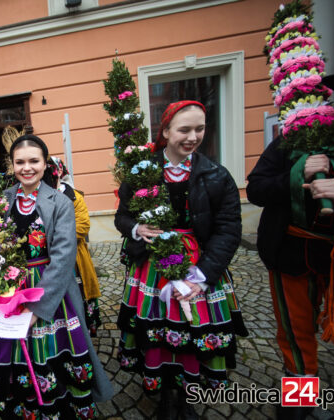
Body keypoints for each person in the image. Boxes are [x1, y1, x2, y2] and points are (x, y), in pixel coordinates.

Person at [115, 101, 247, 419]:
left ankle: (187, 395)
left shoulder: (216, 175)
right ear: (165, 131)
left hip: (197, 265)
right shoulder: (142, 172)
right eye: (184, 129)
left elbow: (228, 228)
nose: (193, 137)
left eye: (199, 129)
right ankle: (164, 392)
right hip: (153, 265)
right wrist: (136, 228)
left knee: (193, 330)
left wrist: (201, 276)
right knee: (157, 329)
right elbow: (122, 216)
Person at [0, 134, 114, 419]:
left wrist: (38, 308)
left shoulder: (60, 201)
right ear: (12, 165)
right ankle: (24, 407)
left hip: (49, 289)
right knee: (14, 352)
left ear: (44, 163)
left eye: (34, 161)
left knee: (52, 352)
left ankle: (57, 407)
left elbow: (63, 257)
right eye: (20, 162)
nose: (27, 167)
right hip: (10, 288)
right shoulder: (1, 200)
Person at [247, 64, 334, 419]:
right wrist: (296, 174)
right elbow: (257, 188)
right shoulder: (294, 138)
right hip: (293, 254)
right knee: (295, 331)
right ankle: (302, 394)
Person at [44, 156, 102, 336]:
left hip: (75, 258)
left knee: (78, 291)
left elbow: (82, 225)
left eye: (52, 173)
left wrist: (53, 239)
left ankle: (82, 331)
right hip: (46, 259)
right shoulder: (38, 197)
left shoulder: (74, 196)